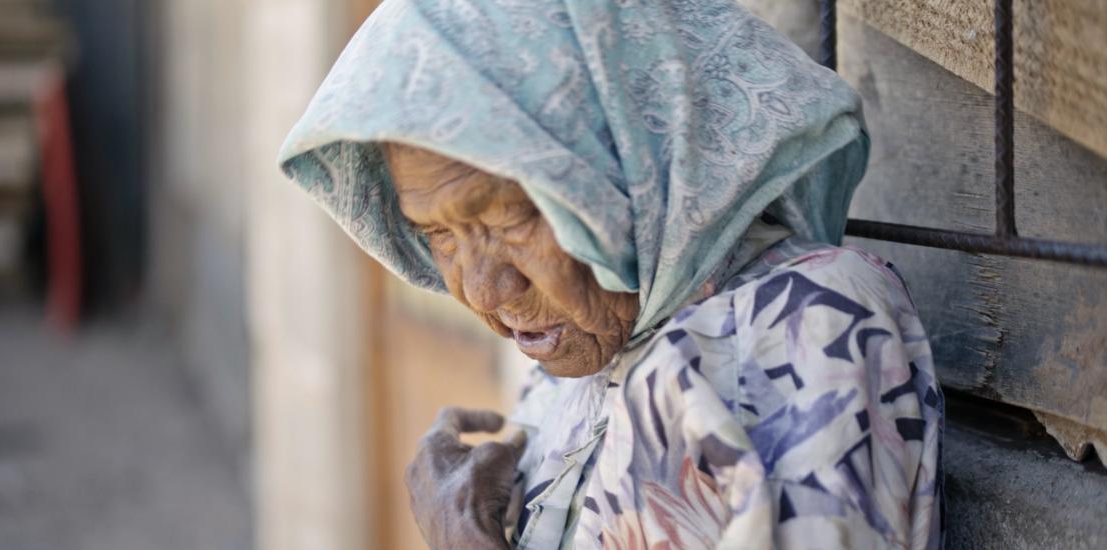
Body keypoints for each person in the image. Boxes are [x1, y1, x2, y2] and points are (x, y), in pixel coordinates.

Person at [278, 0, 943, 548]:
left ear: (629, 163)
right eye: (438, 236)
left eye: (512, 218)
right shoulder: (581, 368)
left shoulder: (810, 321)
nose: (482, 291)